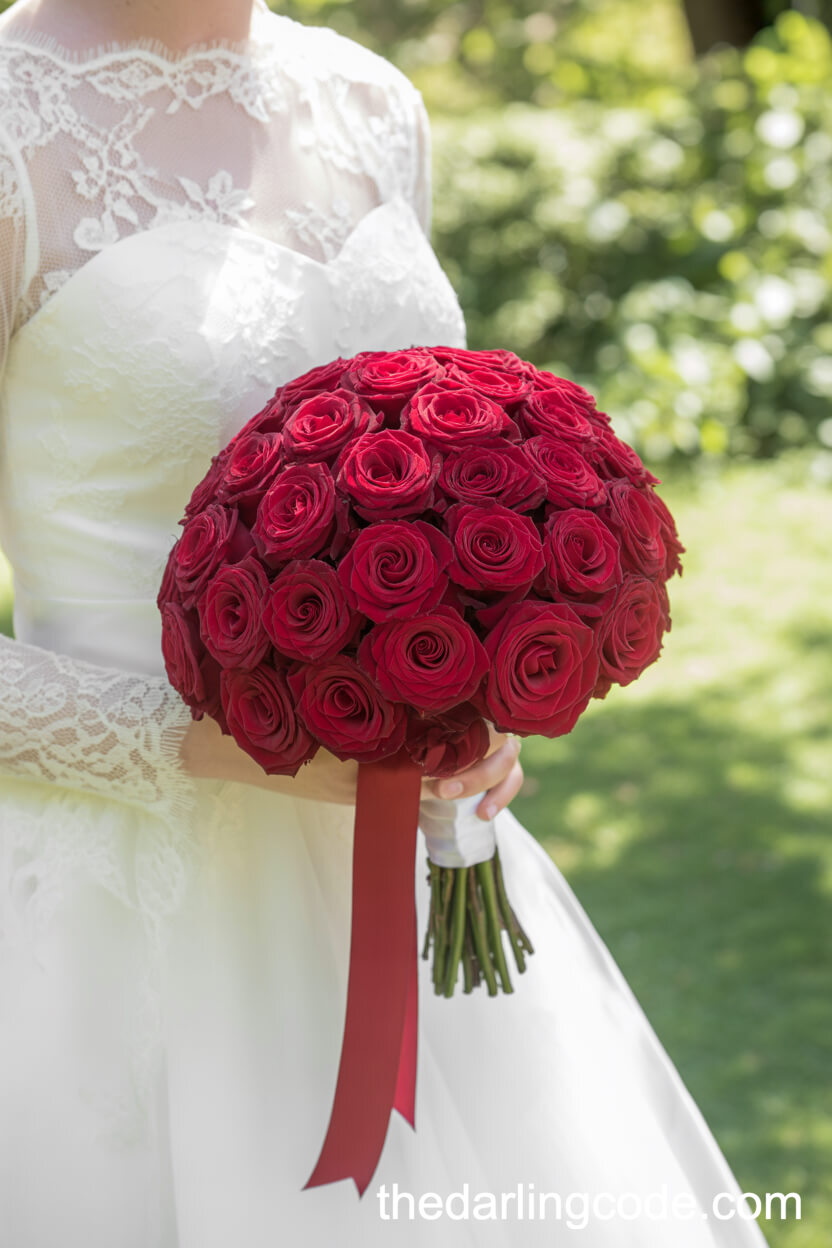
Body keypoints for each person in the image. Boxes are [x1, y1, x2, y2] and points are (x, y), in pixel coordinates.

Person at [0, 1, 769, 1245]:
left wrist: (480, 676)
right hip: (121, 904)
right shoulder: (9, 117)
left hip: (416, 862)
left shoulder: (368, 101)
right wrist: (217, 742)